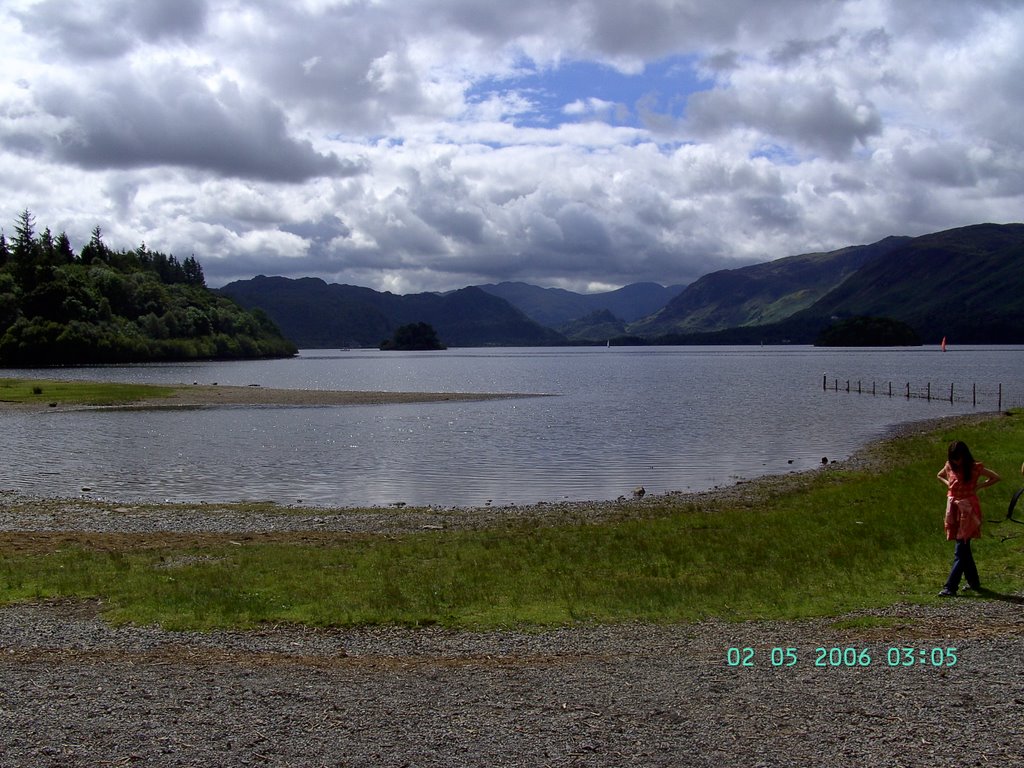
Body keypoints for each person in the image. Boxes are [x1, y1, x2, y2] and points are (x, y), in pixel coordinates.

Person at [937, 440, 1000, 596]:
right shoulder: (949, 466)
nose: (956, 461)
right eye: (953, 458)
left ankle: (950, 587)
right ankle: (974, 583)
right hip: (953, 509)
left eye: (958, 458)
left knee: (961, 548)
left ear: (964, 456)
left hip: (968, 510)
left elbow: (995, 477)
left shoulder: (975, 467)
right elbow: (939, 475)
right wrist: (948, 485)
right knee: (964, 548)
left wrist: (978, 487)